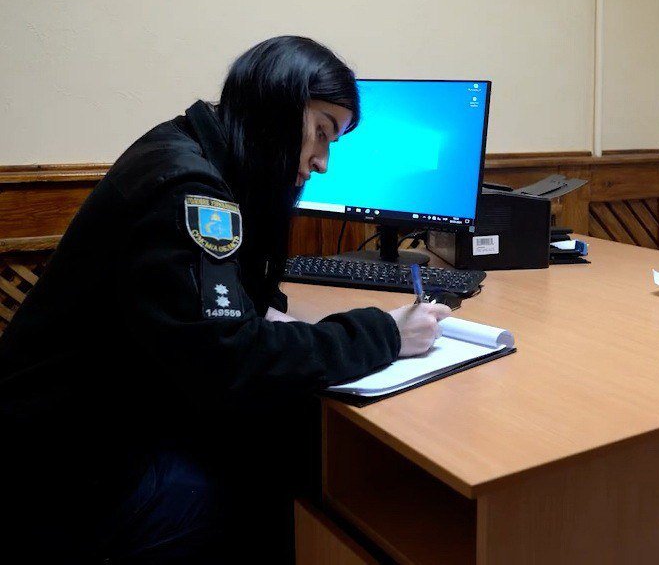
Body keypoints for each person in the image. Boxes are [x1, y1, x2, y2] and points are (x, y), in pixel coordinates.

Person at [0, 36, 452, 562]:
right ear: (278, 105)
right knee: (283, 479)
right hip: (63, 476)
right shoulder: (191, 188)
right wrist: (387, 333)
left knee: (280, 438)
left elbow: (206, 312)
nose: (323, 162)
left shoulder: (185, 147)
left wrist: (257, 311)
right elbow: (230, 362)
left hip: (70, 434)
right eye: (322, 131)